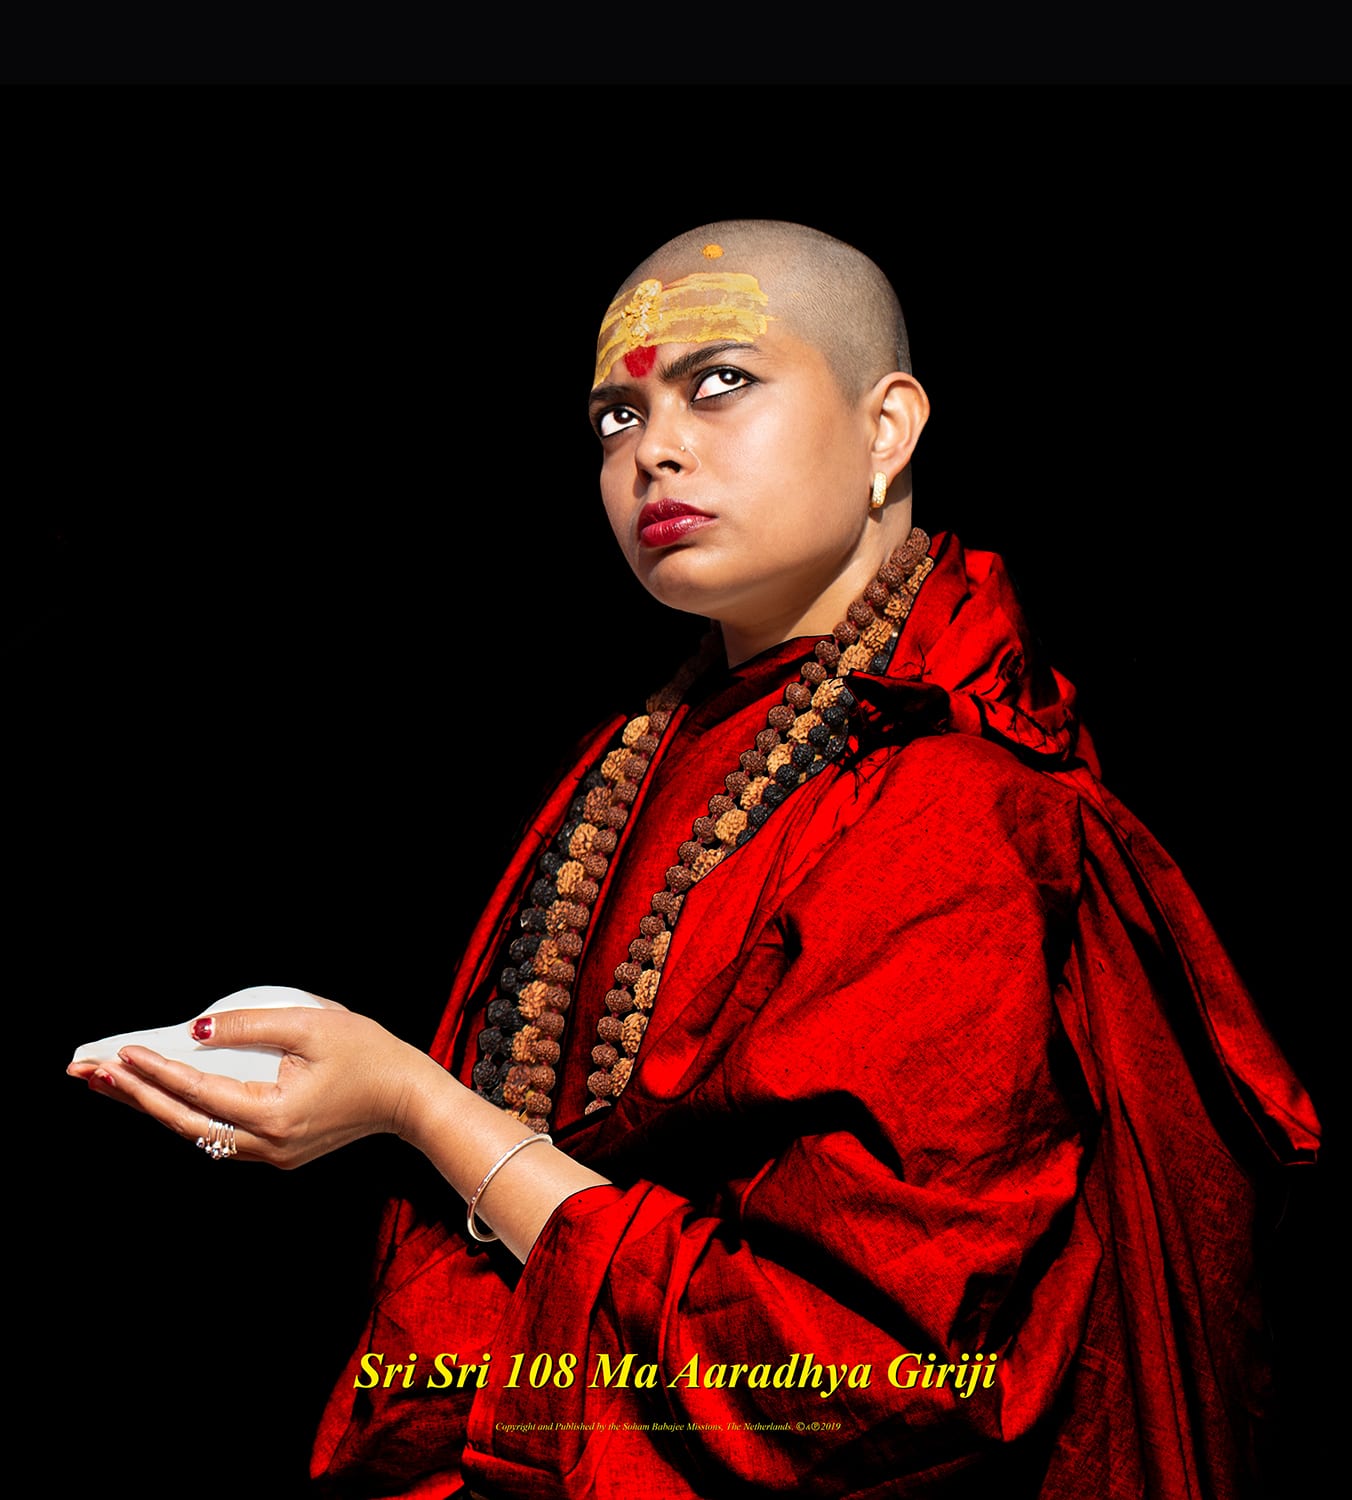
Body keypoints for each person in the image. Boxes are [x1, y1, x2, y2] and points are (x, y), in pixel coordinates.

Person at [68, 220, 1319, 1498]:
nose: (651, 449)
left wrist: (409, 1104)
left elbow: (862, 1365)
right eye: (616, 416)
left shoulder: (952, 807)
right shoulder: (638, 757)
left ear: (886, 430)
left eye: (718, 382)